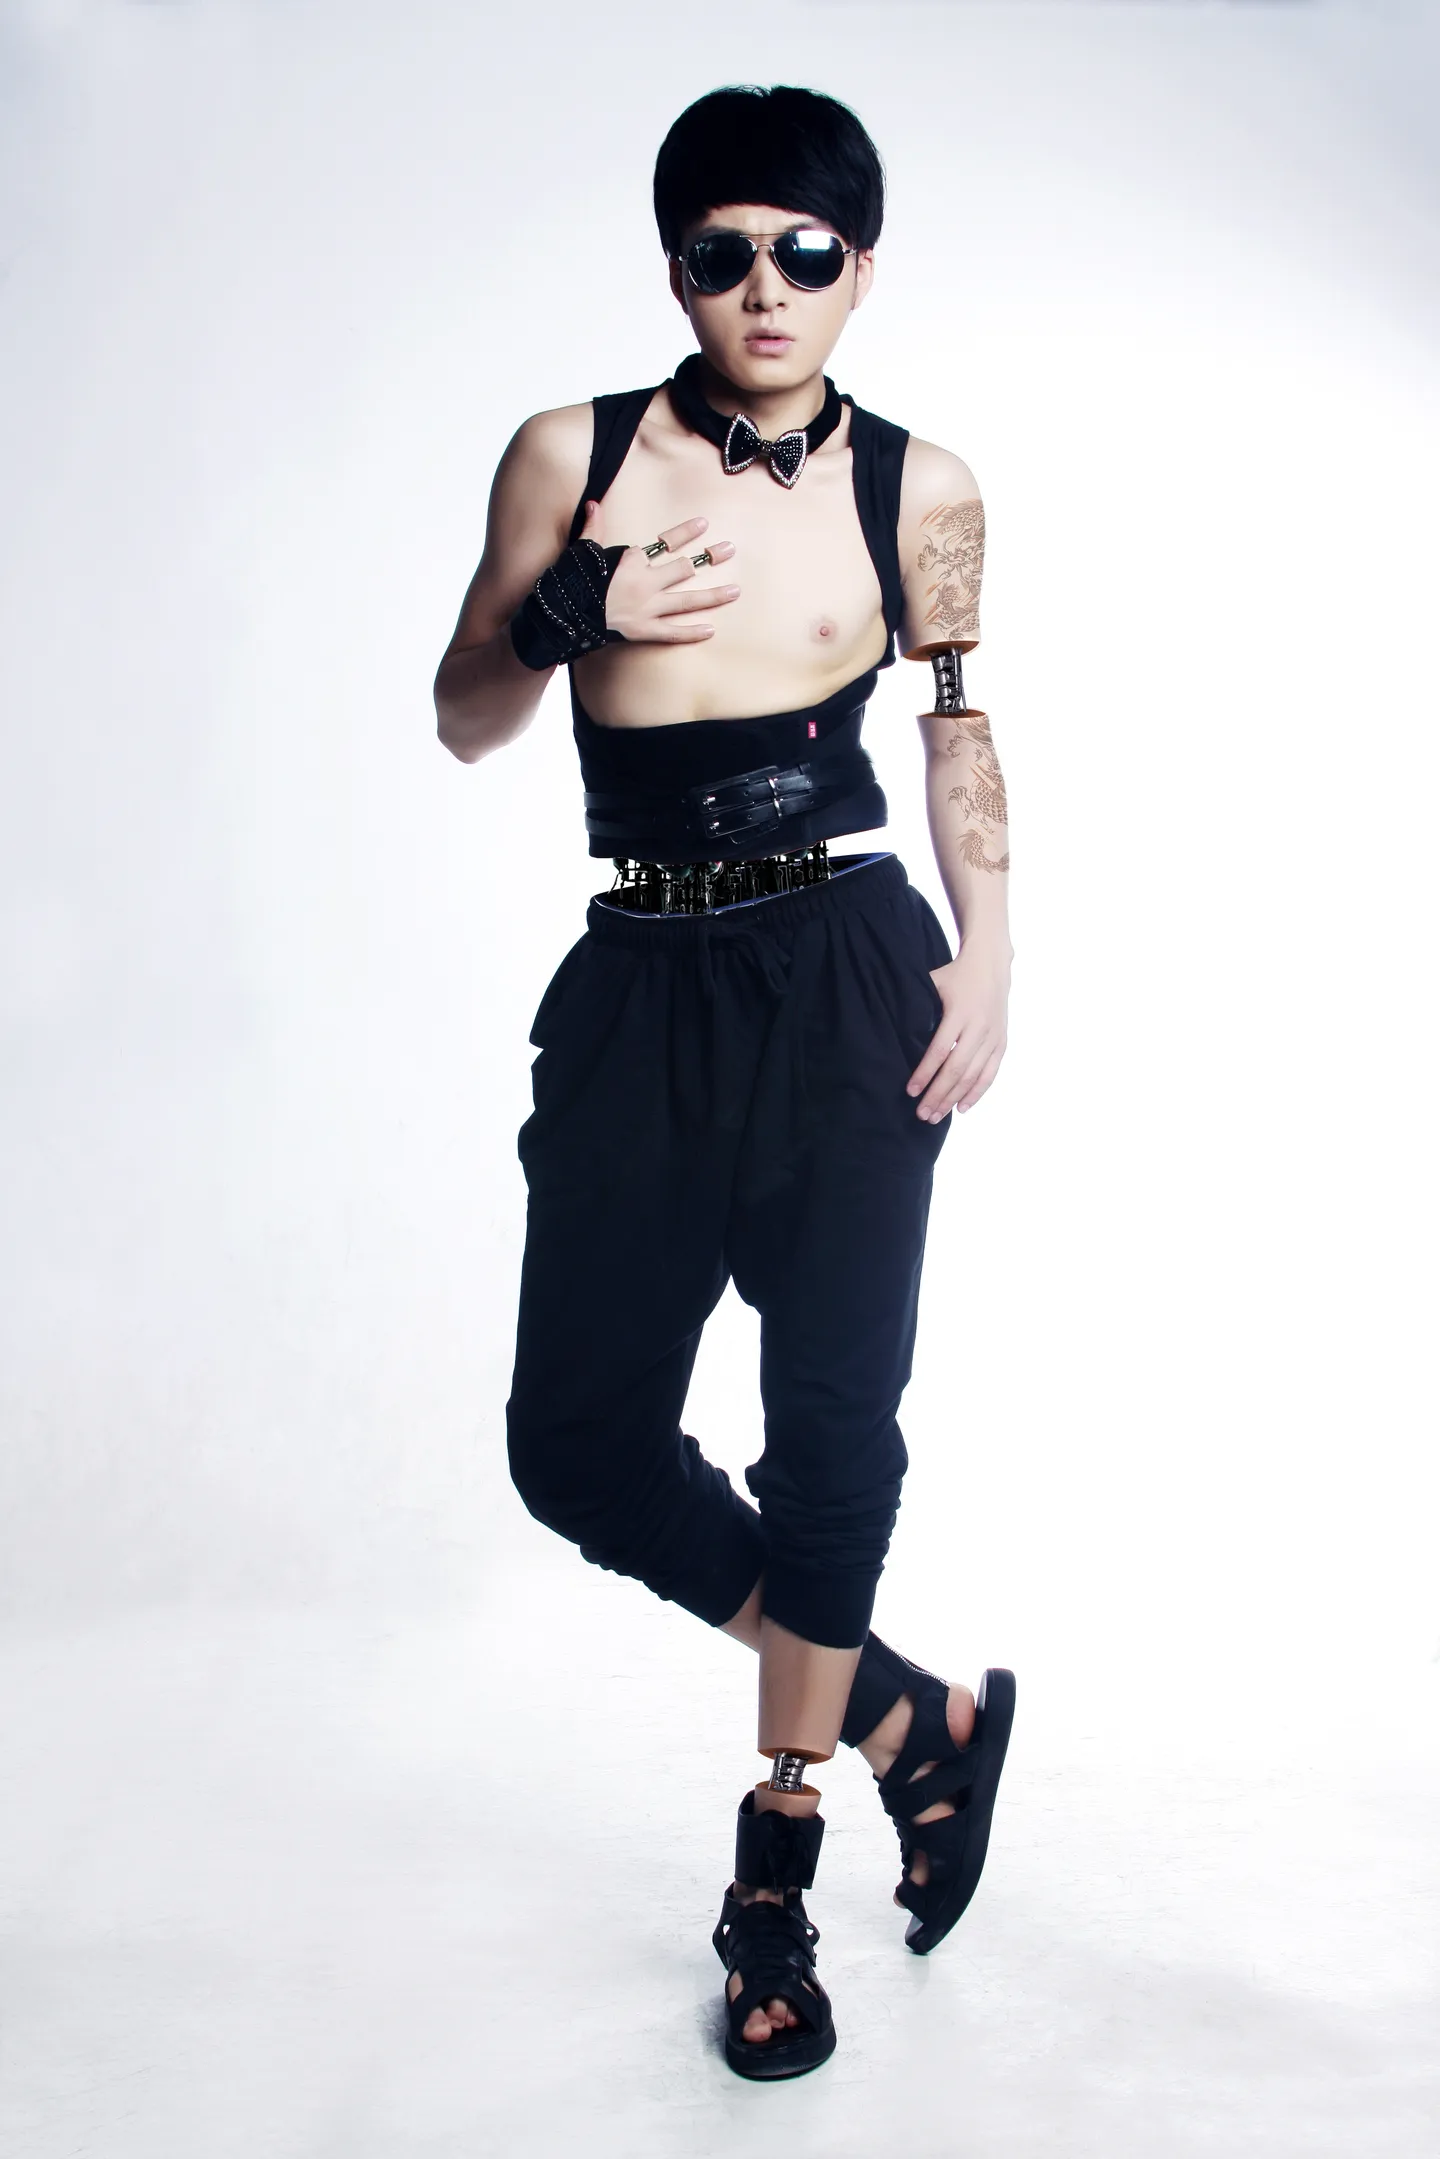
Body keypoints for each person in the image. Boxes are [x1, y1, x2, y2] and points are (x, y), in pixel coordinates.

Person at [433, 83, 1016, 2081]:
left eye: (806, 252)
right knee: (579, 1444)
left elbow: (958, 724)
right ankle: (909, 1715)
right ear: (677, 266)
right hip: (642, 978)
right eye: (723, 253)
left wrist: (992, 947)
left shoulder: (924, 485)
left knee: (833, 1426)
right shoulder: (574, 455)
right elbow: (464, 715)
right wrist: (567, 612)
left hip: (848, 968)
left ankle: (776, 1877)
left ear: (861, 268)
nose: (765, 288)